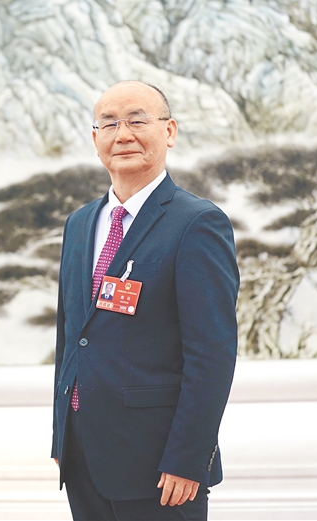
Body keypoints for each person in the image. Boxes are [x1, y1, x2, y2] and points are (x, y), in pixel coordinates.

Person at [52, 81, 239, 521]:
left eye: (137, 120)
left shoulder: (197, 223)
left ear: (169, 131)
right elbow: (71, 337)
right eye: (109, 124)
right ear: (95, 137)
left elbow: (212, 355)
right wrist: (61, 437)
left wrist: (189, 458)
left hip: (160, 466)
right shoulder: (79, 224)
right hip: (83, 458)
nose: (123, 135)